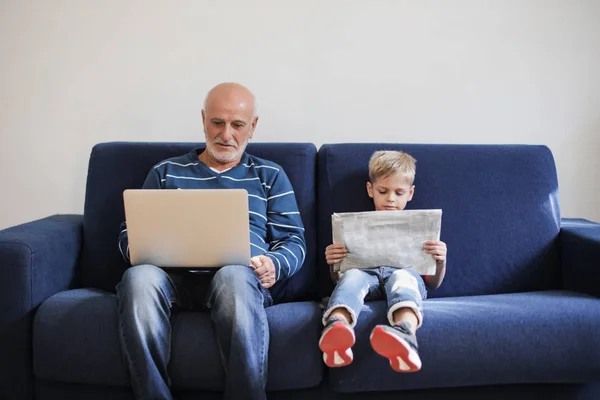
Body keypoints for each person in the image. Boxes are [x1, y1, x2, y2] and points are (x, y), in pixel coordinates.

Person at [116, 82, 307, 400]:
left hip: (239, 280)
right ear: (204, 119)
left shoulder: (269, 175)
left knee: (233, 275)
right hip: (170, 278)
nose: (226, 134)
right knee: (138, 277)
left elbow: (293, 241)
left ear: (253, 127)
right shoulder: (165, 172)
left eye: (237, 125)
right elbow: (128, 232)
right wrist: (138, 249)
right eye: (217, 122)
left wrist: (275, 264)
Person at [320, 150, 447, 372]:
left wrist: (440, 260)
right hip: (363, 275)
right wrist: (334, 264)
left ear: (410, 193)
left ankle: (405, 333)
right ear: (370, 190)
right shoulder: (354, 226)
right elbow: (338, 281)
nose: (391, 199)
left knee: (403, 278)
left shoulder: (421, 227)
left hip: (403, 274)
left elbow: (433, 283)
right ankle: (337, 327)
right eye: (383, 191)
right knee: (352, 277)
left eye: (399, 193)